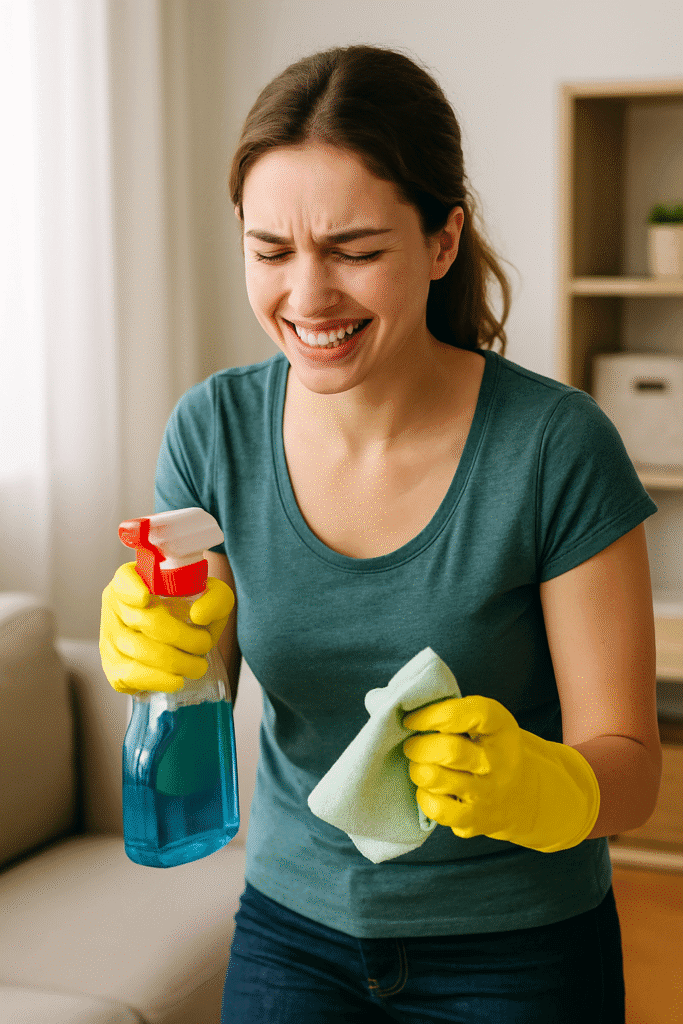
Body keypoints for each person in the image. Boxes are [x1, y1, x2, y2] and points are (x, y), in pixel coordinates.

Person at [100, 44, 661, 1023]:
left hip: (518, 945)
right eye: (270, 250)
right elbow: (210, 678)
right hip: (291, 926)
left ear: (441, 242)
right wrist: (161, 642)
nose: (307, 296)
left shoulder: (554, 447)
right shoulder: (212, 432)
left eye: (354, 250)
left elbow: (629, 762)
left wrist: (554, 785)